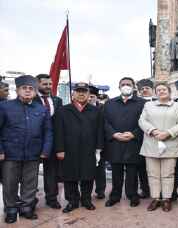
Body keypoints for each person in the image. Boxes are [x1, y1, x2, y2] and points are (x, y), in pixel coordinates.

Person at [0, 75, 52, 223]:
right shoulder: (4, 107)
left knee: (30, 183)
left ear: (35, 92)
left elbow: (48, 131)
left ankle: (26, 208)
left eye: (31, 89)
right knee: (10, 183)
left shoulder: (42, 109)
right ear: (17, 90)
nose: (28, 91)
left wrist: (46, 150)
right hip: (10, 153)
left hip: (33, 153)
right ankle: (10, 209)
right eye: (24, 88)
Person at [54, 82, 104, 213]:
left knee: (88, 176)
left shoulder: (96, 111)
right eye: (78, 91)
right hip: (69, 150)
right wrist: (60, 149)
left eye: (84, 91)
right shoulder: (63, 111)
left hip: (89, 149)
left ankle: (86, 200)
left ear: (89, 94)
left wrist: (98, 149)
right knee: (70, 176)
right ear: (73, 94)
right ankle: (72, 201)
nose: (81, 94)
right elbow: (58, 132)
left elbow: (100, 131)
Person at [139, 82, 178, 212]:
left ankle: (166, 199)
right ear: (155, 92)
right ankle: (155, 199)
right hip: (152, 143)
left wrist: (168, 133)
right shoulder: (148, 105)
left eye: (164, 89)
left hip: (170, 143)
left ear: (169, 91)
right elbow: (142, 121)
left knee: (168, 174)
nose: (161, 91)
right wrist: (153, 131)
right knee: (153, 173)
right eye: (158, 90)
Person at [104, 77, 146, 208]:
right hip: (115, 142)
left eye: (128, 84)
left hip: (134, 142)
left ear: (133, 87)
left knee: (132, 172)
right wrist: (114, 134)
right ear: (119, 87)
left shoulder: (142, 103)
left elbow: (147, 121)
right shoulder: (110, 103)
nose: (126, 86)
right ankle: (115, 195)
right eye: (123, 84)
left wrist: (134, 134)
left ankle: (132, 195)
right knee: (116, 171)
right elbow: (104, 122)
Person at [33, 74, 63, 209]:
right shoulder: (31, 99)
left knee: (51, 172)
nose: (48, 86)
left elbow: (59, 122)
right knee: (31, 173)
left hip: (52, 142)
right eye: (45, 84)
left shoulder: (57, 100)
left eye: (50, 84)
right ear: (37, 84)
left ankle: (51, 198)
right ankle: (29, 200)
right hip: (33, 142)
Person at [136, 78, 155, 198]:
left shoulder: (157, 101)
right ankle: (145, 189)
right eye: (141, 89)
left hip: (155, 138)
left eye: (147, 88)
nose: (144, 90)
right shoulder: (136, 102)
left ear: (152, 90)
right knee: (142, 167)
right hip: (139, 138)